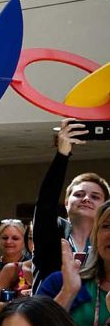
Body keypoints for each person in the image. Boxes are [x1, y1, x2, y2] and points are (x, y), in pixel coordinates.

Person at [34, 119, 109, 286]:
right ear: (67, 202)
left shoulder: (106, 241)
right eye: (79, 194)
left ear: (105, 206)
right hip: (49, 309)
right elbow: (45, 203)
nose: (86, 199)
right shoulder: (53, 234)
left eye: (95, 197)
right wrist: (62, 155)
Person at [0, 219, 33, 310]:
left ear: (24, 242)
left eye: (15, 238)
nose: (9, 242)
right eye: (5, 238)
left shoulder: (31, 267)